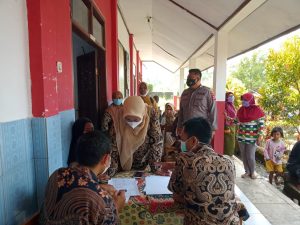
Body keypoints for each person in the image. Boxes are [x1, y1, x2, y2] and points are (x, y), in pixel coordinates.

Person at [40, 130, 126, 225]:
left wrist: (97, 186)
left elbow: (75, 187)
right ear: (106, 159)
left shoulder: (57, 174)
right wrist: (116, 207)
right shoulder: (103, 203)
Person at [168, 117, 241, 225]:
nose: (181, 143)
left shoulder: (184, 160)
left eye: (182, 140)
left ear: (193, 140)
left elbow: (176, 195)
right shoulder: (228, 161)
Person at [101, 96, 163, 177]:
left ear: (142, 115)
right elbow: (113, 146)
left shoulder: (150, 114)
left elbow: (156, 142)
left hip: (144, 163)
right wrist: (110, 172)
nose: (132, 123)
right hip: (122, 165)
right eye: (128, 119)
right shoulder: (118, 116)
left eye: (136, 120)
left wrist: (155, 168)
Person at [177, 68, 217, 137]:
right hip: (186, 129)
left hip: (201, 129)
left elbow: (213, 111)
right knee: (186, 147)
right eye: (188, 78)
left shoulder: (207, 92)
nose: (188, 80)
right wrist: (179, 126)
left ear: (198, 79)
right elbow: (181, 112)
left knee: (200, 147)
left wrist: (213, 129)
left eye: (191, 78)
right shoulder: (185, 93)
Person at [237, 92, 265, 179]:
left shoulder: (258, 111)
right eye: (243, 100)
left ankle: (253, 172)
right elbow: (235, 120)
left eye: (246, 100)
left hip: (252, 138)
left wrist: (259, 136)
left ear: (250, 100)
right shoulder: (241, 110)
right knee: (244, 155)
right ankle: (247, 171)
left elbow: (261, 125)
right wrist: (228, 118)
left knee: (250, 155)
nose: (243, 102)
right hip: (241, 137)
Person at [224, 92, 237, 156]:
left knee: (232, 142)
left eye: (232, 96)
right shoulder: (225, 105)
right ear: (226, 97)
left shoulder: (232, 105)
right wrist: (230, 120)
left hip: (233, 125)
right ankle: (227, 155)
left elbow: (235, 117)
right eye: (230, 96)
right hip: (228, 126)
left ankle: (230, 154)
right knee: (228, 142)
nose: (232, 97)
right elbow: (225, 116)